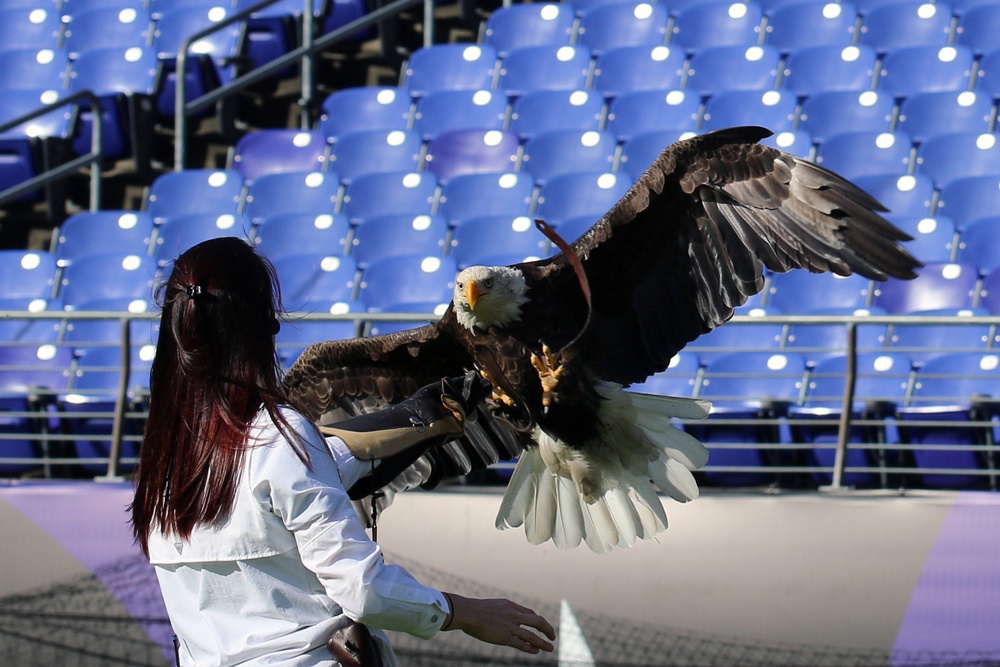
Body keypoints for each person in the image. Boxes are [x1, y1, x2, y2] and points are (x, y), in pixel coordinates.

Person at [130, 237, 556, 666]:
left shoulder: (165, 452)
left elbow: (262, 494)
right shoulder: (279, 436)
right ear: (261, 326)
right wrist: (467, 613)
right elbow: (362, 590)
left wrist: (409, 423)